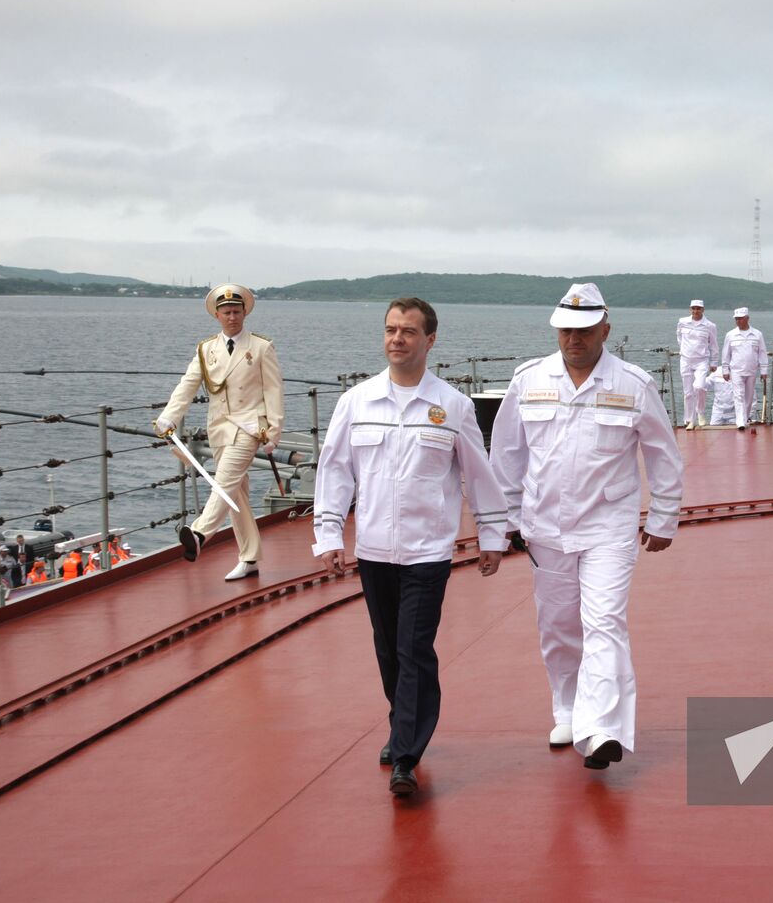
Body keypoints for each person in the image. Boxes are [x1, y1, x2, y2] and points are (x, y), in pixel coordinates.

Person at [312, 297, 508, 797]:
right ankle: (403, 722)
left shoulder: (453, 407)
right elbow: (335, 471)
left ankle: (406, 755)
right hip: (375, 549)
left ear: (430, 341)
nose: (397, 339)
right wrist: (329, 535)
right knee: (388, 651)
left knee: (414, 648)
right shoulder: (356, 402)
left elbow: (478, 476)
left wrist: (491, 535)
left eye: (408, 331)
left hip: (427, 551)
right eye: (390, 330)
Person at [490, 282, 684, 770]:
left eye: (583, 330)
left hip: (608, 526)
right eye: (565, 330)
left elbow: (663, 454)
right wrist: (505, 520)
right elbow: (507, 455)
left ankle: (602, 730)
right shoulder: (528, 381)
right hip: (545, 525)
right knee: (558, 625)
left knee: (604, 622)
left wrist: (664, 515)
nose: (573, 339)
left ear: (605, 330)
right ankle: (568, 709)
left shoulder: (633, 384)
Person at [156, 284, 284, 581]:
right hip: (219, 428)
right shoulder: (206, 349)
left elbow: (274, 390)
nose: (232, 317)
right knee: (235, 492)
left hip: (250, 426)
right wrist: (168, 417)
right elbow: (188, 385)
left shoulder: (261, 347)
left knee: (224, 480)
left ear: (244, 313)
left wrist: (273, 431)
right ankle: (250, 558)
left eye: (237, 311)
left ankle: (200, 534)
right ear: (217, 314)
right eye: (226, 312)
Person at [720, 308, 769, 430]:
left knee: (749, 396)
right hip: (736, 370)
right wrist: (725, 370)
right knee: (738, 395)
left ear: (747, 318)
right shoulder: (730, 335)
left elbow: (762, 353)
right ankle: (740, 422)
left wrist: (764, 371)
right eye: (736, 319)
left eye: (741, 318)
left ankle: (745, 418)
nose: (738, 321)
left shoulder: (757, 334)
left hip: (752, 370)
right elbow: (726, 353)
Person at [676, 299, 719, 430]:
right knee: (688, 392)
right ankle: (689, 420)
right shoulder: (682, 322)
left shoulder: (709, 326)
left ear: (703, 310)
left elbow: (713, 345)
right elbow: (679, 338)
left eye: (698, 308)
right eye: (693, 308)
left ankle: (700, 412)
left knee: (699, 387)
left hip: (701, 361)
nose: (695, 311)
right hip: (685, 360)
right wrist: (684, 351)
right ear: (690, 309)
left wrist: (714, 362)